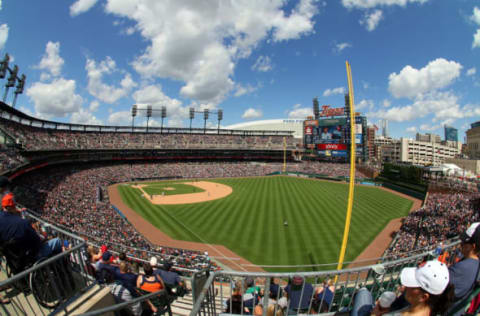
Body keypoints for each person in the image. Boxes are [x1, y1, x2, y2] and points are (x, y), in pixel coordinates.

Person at [0, 198, 62, 262]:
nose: (16, 208)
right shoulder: (22, 222)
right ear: (9, 208)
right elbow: (37, 241)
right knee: (57, 241)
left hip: (15, 261)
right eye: (14, 206)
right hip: (32, 257)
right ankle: (65, 270)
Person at [447, 222, 480, 314]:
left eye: (464, 242)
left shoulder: (463, 268)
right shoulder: (473, 264)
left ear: (473, 247)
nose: (461, 244)